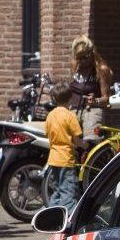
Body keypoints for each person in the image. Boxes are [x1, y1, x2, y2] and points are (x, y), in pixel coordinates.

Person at [44, 82, 83, 211]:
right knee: (68, 192)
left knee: (57, 190)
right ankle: (68, 221)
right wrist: (85, 145)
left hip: (53, 158)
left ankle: (52, 213)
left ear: (54, 98)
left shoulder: (50, 115)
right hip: (66, 158)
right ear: (70, 97)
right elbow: (77, 140)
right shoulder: (70, 116)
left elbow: (48, 135)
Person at [68, 35, 112, 145]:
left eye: (85, 57)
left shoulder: (101, 69)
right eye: (78, 58)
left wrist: (96, 100)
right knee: (70, 142)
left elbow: (106, 98)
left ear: (91, 53)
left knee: (91, 141)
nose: (81, 61)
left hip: (91, 110)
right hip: (74, 109)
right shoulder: (74, 65)